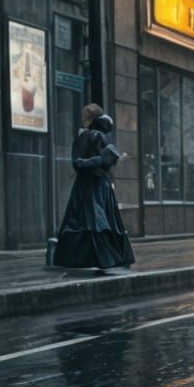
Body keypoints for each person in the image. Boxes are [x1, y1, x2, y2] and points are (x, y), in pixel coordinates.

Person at [55, 104, 135, 271]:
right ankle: (109, 257)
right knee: (102, 221)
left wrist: (98, 160)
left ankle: (90, 258)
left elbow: (79, 163)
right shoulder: (102, 136)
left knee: (90, 221)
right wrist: (105, 158)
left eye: (85, 116)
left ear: (89, 119)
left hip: (87, 186)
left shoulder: (88, 136)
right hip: (101, 185)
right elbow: (104, 161)